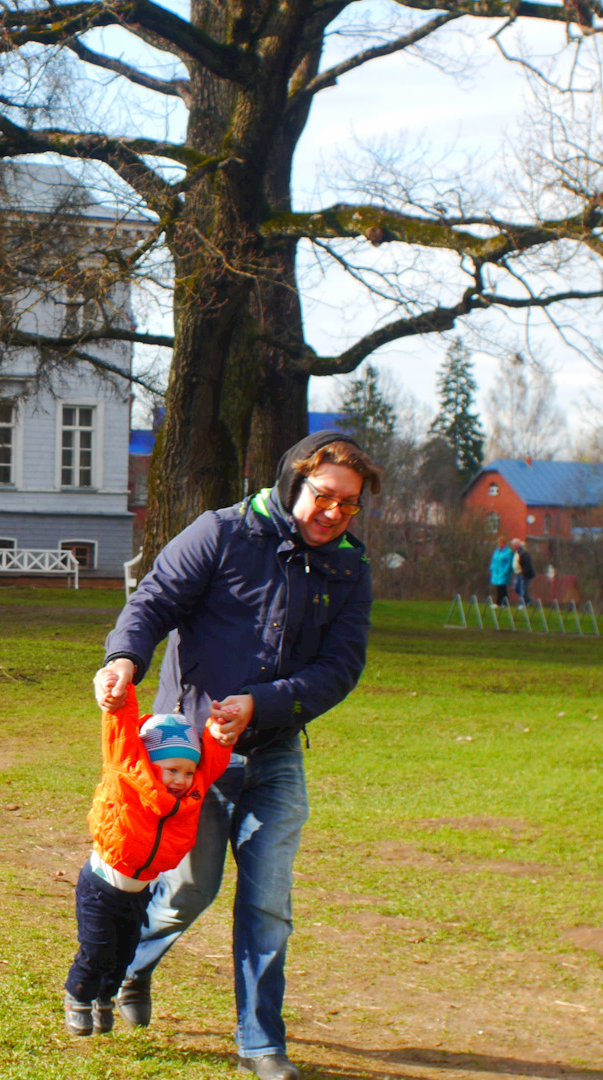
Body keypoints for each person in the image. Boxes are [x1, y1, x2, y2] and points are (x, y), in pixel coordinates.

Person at [93, 431, 380, 1080]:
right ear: (292, 482)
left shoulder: (349, 568)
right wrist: (124, 658)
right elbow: (155, 599)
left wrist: (262, 704)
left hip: (274, 753)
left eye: (350, 505)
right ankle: (132, 969)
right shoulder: (222, 533)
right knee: (190, 890)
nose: (335, 514)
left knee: (268, 901)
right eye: (325, 497)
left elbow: (340, 668)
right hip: (192, 759)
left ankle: (260, 1043)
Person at [65, 691, 235, 1038]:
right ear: (149, 763)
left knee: (124, 955)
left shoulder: (190, 795)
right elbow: (120, 731)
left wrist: (217, 733)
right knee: (97, 950)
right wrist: (121, 687)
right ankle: (77, 997)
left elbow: (211, 765)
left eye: (188, 772)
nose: (181, 780)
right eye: (172, 770)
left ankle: (104, 999)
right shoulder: (125, 776)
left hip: (138, 894)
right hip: (100, 886)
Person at [489, 535, 514, 607]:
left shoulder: (508, 552)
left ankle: (501, 603)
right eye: (499, 543)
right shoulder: (496, 551)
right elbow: (494, 561)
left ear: (504, 543)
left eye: (501, 543)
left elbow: (508, 563)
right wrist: (492, 568)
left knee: (502, 588)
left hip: (503, 573)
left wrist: (505, 572)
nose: (500, 544)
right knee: (498, 588)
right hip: (496, 573)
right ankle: (502, 603)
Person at [510, 537, 534, 606]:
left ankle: (523, 604)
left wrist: (524, 573)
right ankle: (527, 600)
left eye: (515, 544)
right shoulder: (516, 552)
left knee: (523, 589)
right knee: (516, 588)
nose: (513, 546)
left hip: (523, 574)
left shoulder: (524, 553)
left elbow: (527, 564)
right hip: (517, 573)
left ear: (518, 545)